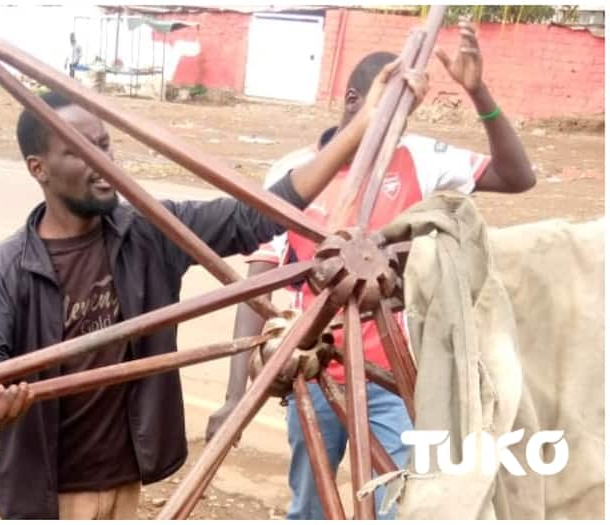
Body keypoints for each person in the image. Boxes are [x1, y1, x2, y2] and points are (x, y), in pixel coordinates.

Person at [0, 60, 427, 519]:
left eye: (105, 145)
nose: (104, 163)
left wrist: (362, 126)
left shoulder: (150, 230)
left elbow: (255, 215)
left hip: (124, 482)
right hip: (46, 494)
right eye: (80, 151)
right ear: (39, 168)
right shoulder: (8, 266)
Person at [205, 19, 536, 520]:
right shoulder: (295, 175)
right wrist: (236, 396)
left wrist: (478, 90)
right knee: (311, 505)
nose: (400, 126)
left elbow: (518, 177)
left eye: (409, 114)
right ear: (355, 99)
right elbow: (259, 278)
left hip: (394, 381)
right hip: (314, 377)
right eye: (393, 109)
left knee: (399, 507)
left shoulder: (421, 159)